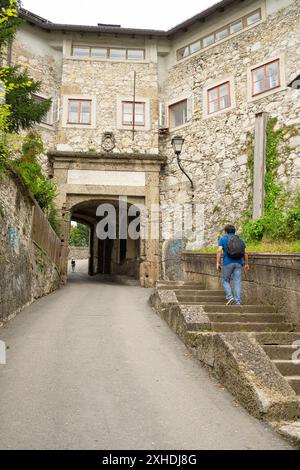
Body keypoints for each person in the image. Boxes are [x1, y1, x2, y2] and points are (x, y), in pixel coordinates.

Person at [217, 224, 250, 305]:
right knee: (237, 282)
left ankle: (229, 297)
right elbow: (245, 252)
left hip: (227, 263)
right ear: (234, 231)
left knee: (225, 280)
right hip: (239, 263)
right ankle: (238, 302)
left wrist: (218, 262)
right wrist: (246, 264)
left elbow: (219, 251)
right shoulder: (241, 240)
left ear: (225, 232)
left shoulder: (223, 239)